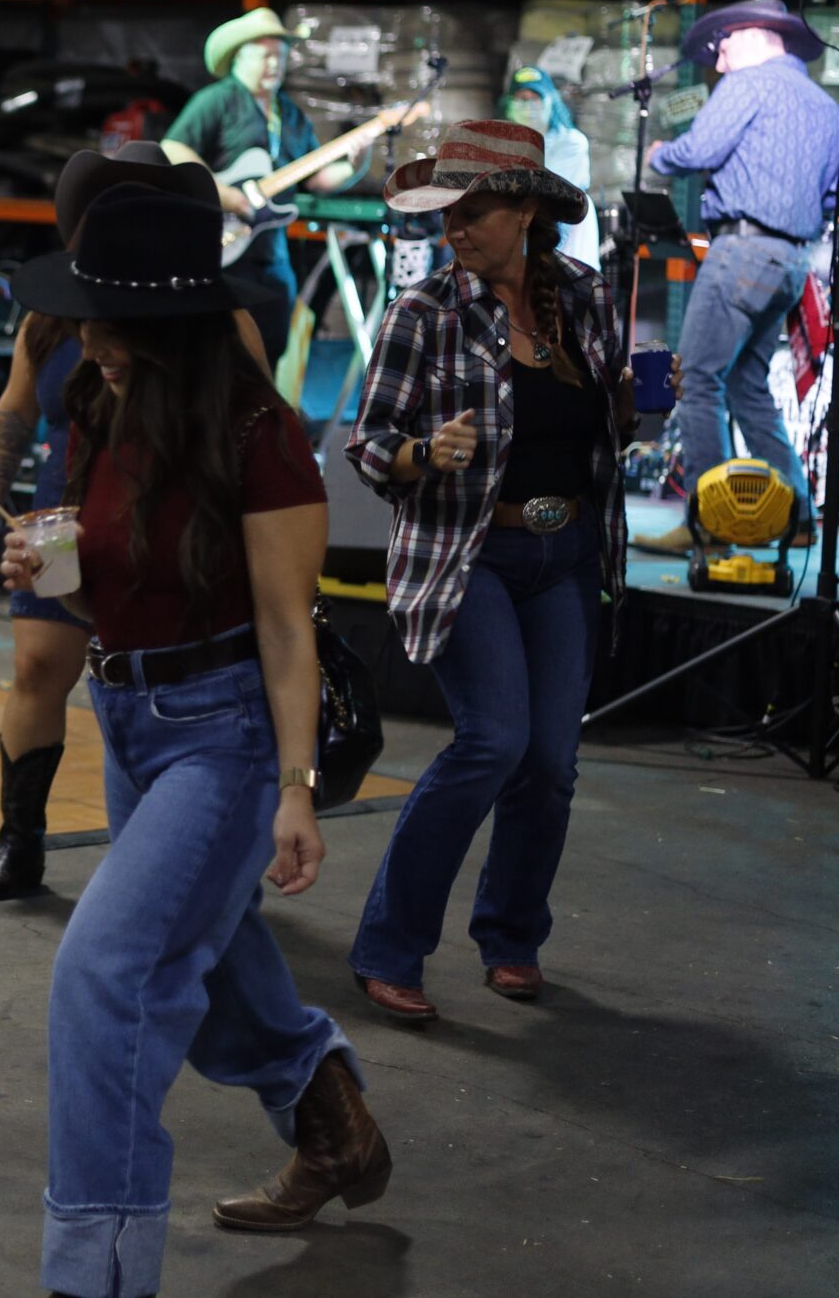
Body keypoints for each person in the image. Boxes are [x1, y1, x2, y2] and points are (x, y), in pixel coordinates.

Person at [2, 179, 386, 1298]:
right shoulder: (104, 408)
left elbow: (286, 629)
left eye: (108, 323)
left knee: (105, 975)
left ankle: (99, 1270)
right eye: (85, 320)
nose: (88, 344)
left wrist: (296, 788)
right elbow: (107, 604)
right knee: (205, 953)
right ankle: (331, 1115)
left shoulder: (261, 438)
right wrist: (50, 573)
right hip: (127, 718)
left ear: (168, 321)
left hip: (225, 734)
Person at [344, 120, 631, 1025]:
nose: (454, 229)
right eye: (447, 214)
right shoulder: (423, 313)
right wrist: (424, 452)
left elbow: (604, 426)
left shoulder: (583, 297)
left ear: (525, 211)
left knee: (550, 763)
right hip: (471, 554)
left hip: (567, 553)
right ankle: (389, 947)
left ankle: (510, 935)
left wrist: (632, 407)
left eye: (471, 212)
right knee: (493, 741)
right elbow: (369, 444)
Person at [0, 141, 218, 904]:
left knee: (152, 673)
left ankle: (167, 843)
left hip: (159, 507)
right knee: (39, 667)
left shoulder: (200, 309)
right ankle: (20, 841)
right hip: (58, 503)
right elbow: (15, 408)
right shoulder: (50, 312)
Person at [632, 0, 839, 557]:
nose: (718, 62)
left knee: (697, 381)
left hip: (742, 251)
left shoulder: (748, 83)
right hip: (790, 262)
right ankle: (797, 518)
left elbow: (700, 149)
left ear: (751, 36)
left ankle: (709, 526)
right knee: (748, 387)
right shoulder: (825, 106)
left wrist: (660, 154)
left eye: (722, 47)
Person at [162, 8, 364, 366]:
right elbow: (173, 148)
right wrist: (227, 196)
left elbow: (316, 179)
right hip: (220, 247)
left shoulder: (290, 114)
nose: (275, 64)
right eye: (265, 55)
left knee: (271, 340)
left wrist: (354, 164)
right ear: (239, 57)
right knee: (220, 347)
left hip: (271, 250)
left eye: (280, 57)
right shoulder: (218, 100)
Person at [504, 63, 601, 271]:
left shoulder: (571, 143)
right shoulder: (505, 145)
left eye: (535, 99)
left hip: (568, 240)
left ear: (550, 101)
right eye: (521, 99)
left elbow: (550, 194)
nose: (528, 106)